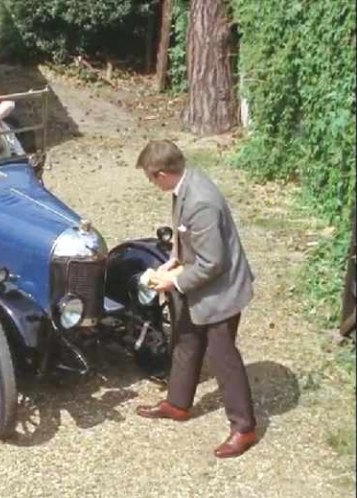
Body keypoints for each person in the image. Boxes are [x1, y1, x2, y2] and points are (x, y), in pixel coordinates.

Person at [134, 140, 257, 459]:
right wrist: (173, 260)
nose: (151, 184)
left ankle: (244, 428)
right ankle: (177, 404)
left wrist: (172, 282)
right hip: (200, 287)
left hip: (221, 293)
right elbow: (184, 233)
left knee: (223, 358)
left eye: (150, 179)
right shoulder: (186, 183)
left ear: (161, 174)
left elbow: (212, 263)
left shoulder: (201, 201)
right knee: (186, 341)